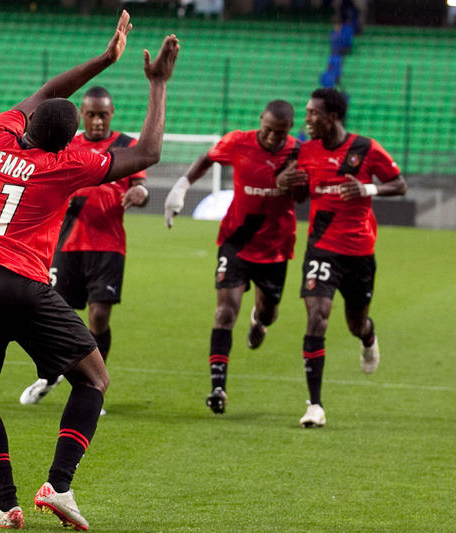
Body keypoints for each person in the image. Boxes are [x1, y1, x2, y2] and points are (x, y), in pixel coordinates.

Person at [0, 11, 179, 530]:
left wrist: (104, 58)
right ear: (66, 142)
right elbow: (148, 152)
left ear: (27, 125)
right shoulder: (64, 165)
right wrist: (158, 84)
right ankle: (60, 484)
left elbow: (47, 90)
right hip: (23, 284)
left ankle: (5, 504)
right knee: (93, 378)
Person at [276, 87, 407, 428]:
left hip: (359, 252)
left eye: (312, 114)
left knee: (355, 323)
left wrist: (368, 189)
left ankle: (368, 337)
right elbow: (299, 193)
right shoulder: (306, 151)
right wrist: (287, 183)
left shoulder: (365, 148)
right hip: (322, 248)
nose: (306, 119)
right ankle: (315, 405)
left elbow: (399, 184)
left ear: (332, 117)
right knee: (317, 316)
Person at [164, 100, 302, 415]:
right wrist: (181, 188)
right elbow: (207, 158)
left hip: (275, 247)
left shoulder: (298, 154)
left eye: (279, 134)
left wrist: (291, 187)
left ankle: (260, 322)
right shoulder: (239, 141)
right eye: (267, 130)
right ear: (260, 121)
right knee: (225, 312)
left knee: (268, 313)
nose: (272, 138)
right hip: (236, 241)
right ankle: (218, 387)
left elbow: (305, 195)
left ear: (289, 130)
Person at [19, 86, 149, 411]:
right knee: (55, 317)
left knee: (99, 316)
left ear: (112, 113)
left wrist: (141, 194)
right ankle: (51, 374)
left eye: (103, 115)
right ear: (82, 114)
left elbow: (140, 184)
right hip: (66, 243)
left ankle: (94, 387)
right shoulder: (68, 143)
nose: (96, 121)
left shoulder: (125, 145)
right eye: (91, 115)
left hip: (108, 245)